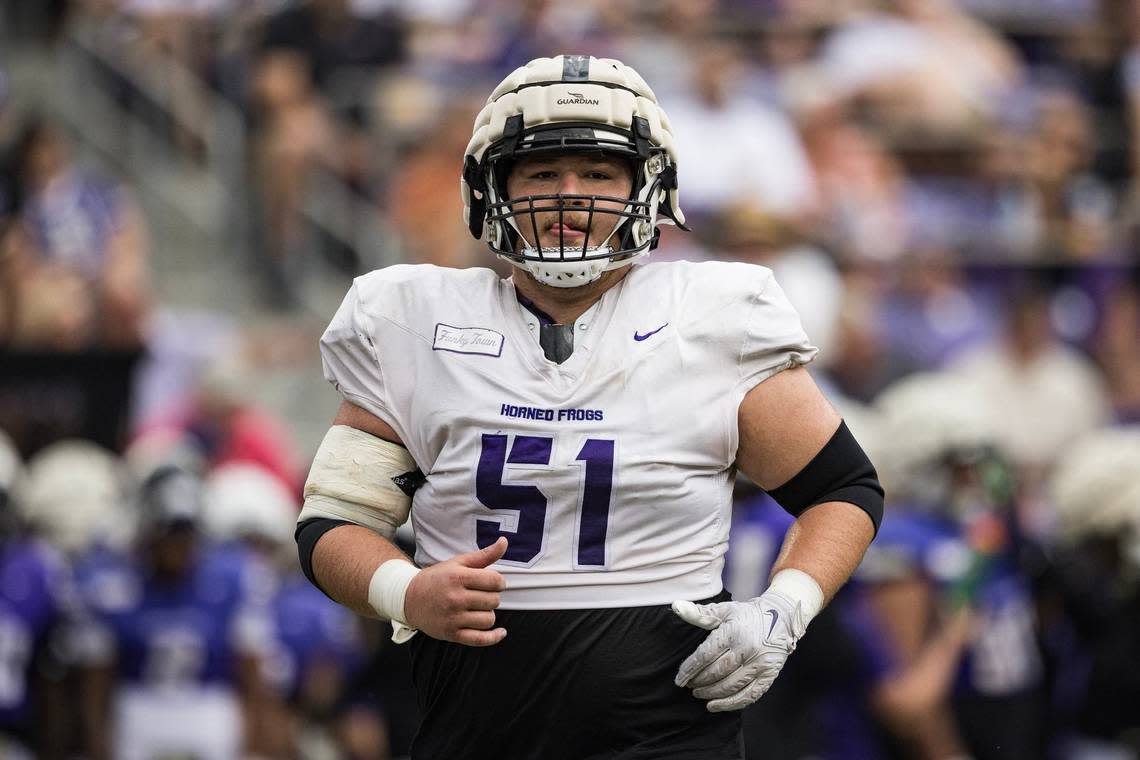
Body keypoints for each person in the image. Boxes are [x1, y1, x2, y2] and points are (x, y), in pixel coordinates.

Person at [295, 54, 883, 759]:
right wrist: (404, 590)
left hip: (667, 738)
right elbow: (331, 524)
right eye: (542, 172)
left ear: (647, 187)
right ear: (493, 189)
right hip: (479, 732)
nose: (570, 195)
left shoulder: (714, 318)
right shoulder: (414, 320)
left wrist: (785, 609)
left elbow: (844, 489)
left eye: (600, 173)